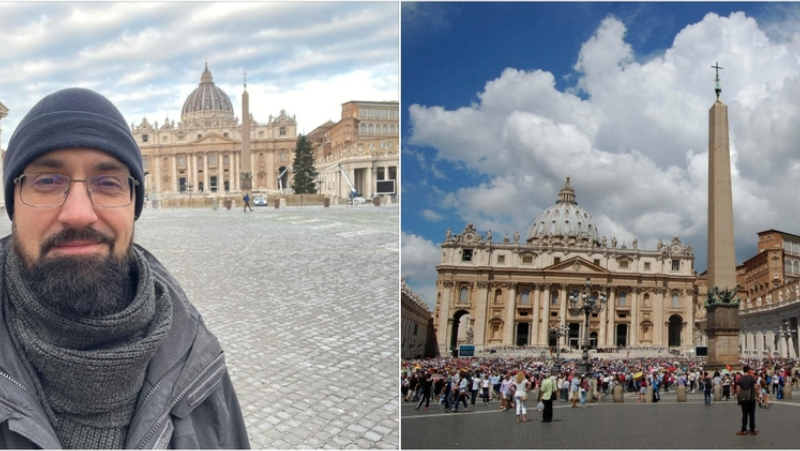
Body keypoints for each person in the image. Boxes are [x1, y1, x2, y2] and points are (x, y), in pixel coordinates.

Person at [0, 87, 249, 448]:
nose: (79, 213)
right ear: (12, 205)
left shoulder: (200, 364)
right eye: (47, 181)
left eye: (108, 183)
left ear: (133, 205)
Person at [735, 366, 758, 436]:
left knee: (744, 414)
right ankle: (752, 430)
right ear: (748, 371)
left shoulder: (740, 379)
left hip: (744, 399)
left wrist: (738, 397)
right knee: (752, 414)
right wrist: (758, 396)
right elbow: (756, 387)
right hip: (751, 398)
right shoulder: (752, 378)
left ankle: (744, 430)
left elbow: (738, 389)